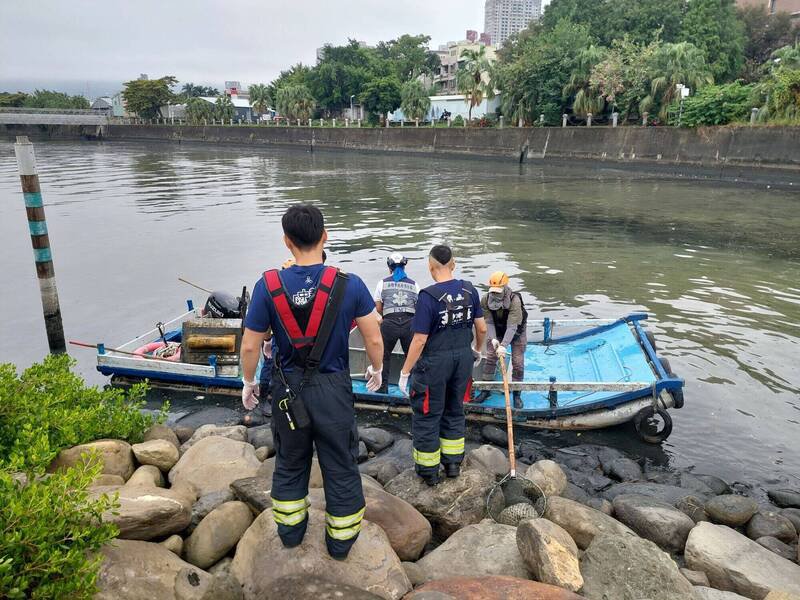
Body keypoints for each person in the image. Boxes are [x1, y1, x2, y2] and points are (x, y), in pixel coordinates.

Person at [240, 204, 384, 560]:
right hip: (333, 389)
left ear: (286, 241)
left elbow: (250, 345)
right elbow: (373, 337)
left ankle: (291, 534)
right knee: (341, 464)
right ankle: (340, 544)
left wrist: (248, 382)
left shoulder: (267, 286)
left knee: (290, 460)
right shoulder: (349, 285)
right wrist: (377, 369)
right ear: (325, 236)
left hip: (287, 391)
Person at [397, 245, 487, 486]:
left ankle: (428, 471)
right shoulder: (469, 290)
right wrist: (477, 350)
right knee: (455, 409)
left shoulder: (428, 296)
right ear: (453, 264)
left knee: (428, 414)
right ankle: (453, 464)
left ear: (430, 266)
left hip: (434, 364)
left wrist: (405, 372)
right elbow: (481, 328)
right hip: (463, 360)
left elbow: (419, 340)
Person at [473, 271, 528, 409]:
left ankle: (517, 394)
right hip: (497, 330)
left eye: (498, 291)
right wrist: (493, 339)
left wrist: (503, 345)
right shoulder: (485, 300)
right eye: (493, 291)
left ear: (505, 287)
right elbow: (488, 322)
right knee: (491, 356)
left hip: (516, 332)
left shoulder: (514, 300)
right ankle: (486, 390)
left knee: (518, 362)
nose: (494, 294)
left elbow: (512, 326)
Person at [373, 253, 419, 393]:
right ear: (404, 267)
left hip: (389, 324)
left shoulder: (382, 283)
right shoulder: (414, 284)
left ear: (389, 267)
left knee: (383, 356)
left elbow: (378, 308)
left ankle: (382, 388)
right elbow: (418, 308)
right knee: (412, 356)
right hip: (409, 324)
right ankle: (415, 390)